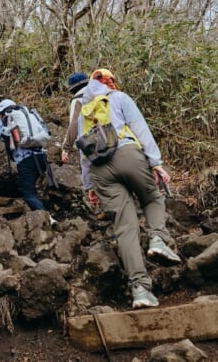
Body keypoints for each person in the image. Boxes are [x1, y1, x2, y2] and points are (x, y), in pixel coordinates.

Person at [78, 68, 181, 309]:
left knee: (125, 228)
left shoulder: (85, 111)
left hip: (99, 169)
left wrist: (89, 186)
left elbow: (83, 151)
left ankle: (140, 290)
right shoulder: (120, 98)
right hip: (127, 154)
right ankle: (157, 238)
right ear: (109, 82)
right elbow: (141, 129)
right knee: (153, 197)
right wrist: (156, 163)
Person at [0, 99, 53, 221]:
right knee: (38, 188)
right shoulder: (29, 115)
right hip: (42, 156)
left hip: (26, 159)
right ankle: (47, 211)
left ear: (1, 112)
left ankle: (47, 219)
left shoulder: (4, 120)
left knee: (29, 193)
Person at [61, 72, 90, 188]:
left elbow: (74, 123)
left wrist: (66, 148)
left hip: (90, 143)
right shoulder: (104, 94)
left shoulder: (77, 100)